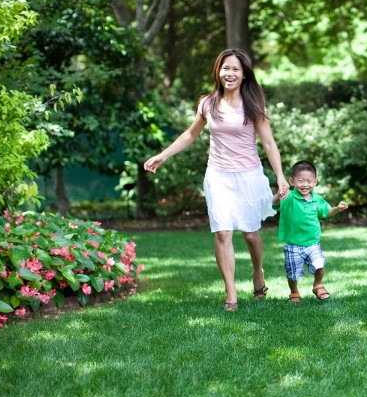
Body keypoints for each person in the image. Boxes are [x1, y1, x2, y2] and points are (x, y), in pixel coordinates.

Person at [143, 48, 289, 311]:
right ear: (218, 71)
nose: (229, 73)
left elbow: (268, 142)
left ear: (244, 74)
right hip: (218, 175)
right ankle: (230, 293)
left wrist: (280, 176)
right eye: (225, 68)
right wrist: (163, 155)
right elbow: (190, 135)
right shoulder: (207, 103)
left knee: (251, 235)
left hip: (248, 175)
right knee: (223, 233)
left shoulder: (254, 105)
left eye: (235, 69)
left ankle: (258, 271)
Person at [272, 160, 348, 303]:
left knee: (319, 264)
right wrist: (279, 195)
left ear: (315, 182)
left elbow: (327, 212)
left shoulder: (317, 200)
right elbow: (273, 203)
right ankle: (294, 293)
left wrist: (337, 209)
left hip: (313, 243)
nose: (305, 184)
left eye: (309, 181)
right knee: (292, 273)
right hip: (293, 244)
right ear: (292, 181)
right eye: (300, 181)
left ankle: (317, 284)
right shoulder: (288, 197)